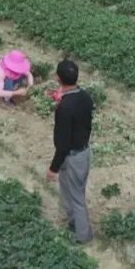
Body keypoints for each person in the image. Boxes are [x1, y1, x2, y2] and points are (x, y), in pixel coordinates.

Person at [46, 59, 94, 244]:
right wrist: (62, 98)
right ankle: (74, 223)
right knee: (69, 191)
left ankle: (83, 237)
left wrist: (53, 168)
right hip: (83, 151)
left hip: (72, 156)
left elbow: (63, 144)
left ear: (58, 79)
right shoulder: (84, 96)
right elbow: (77, 111)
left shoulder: (65, 109)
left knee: (76, 197)